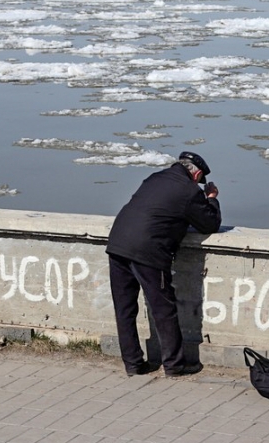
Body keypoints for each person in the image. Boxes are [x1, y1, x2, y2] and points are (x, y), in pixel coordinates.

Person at [106, 151, 222, 377]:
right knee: (163, 308)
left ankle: (133, 364)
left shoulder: (154, 178)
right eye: (200, 181)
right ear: (197, 174)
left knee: (124, 309)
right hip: (148, 251)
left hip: (118, 243)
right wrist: (211, 199)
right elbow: (209, 224)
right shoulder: (188, 191)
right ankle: (175, 365)